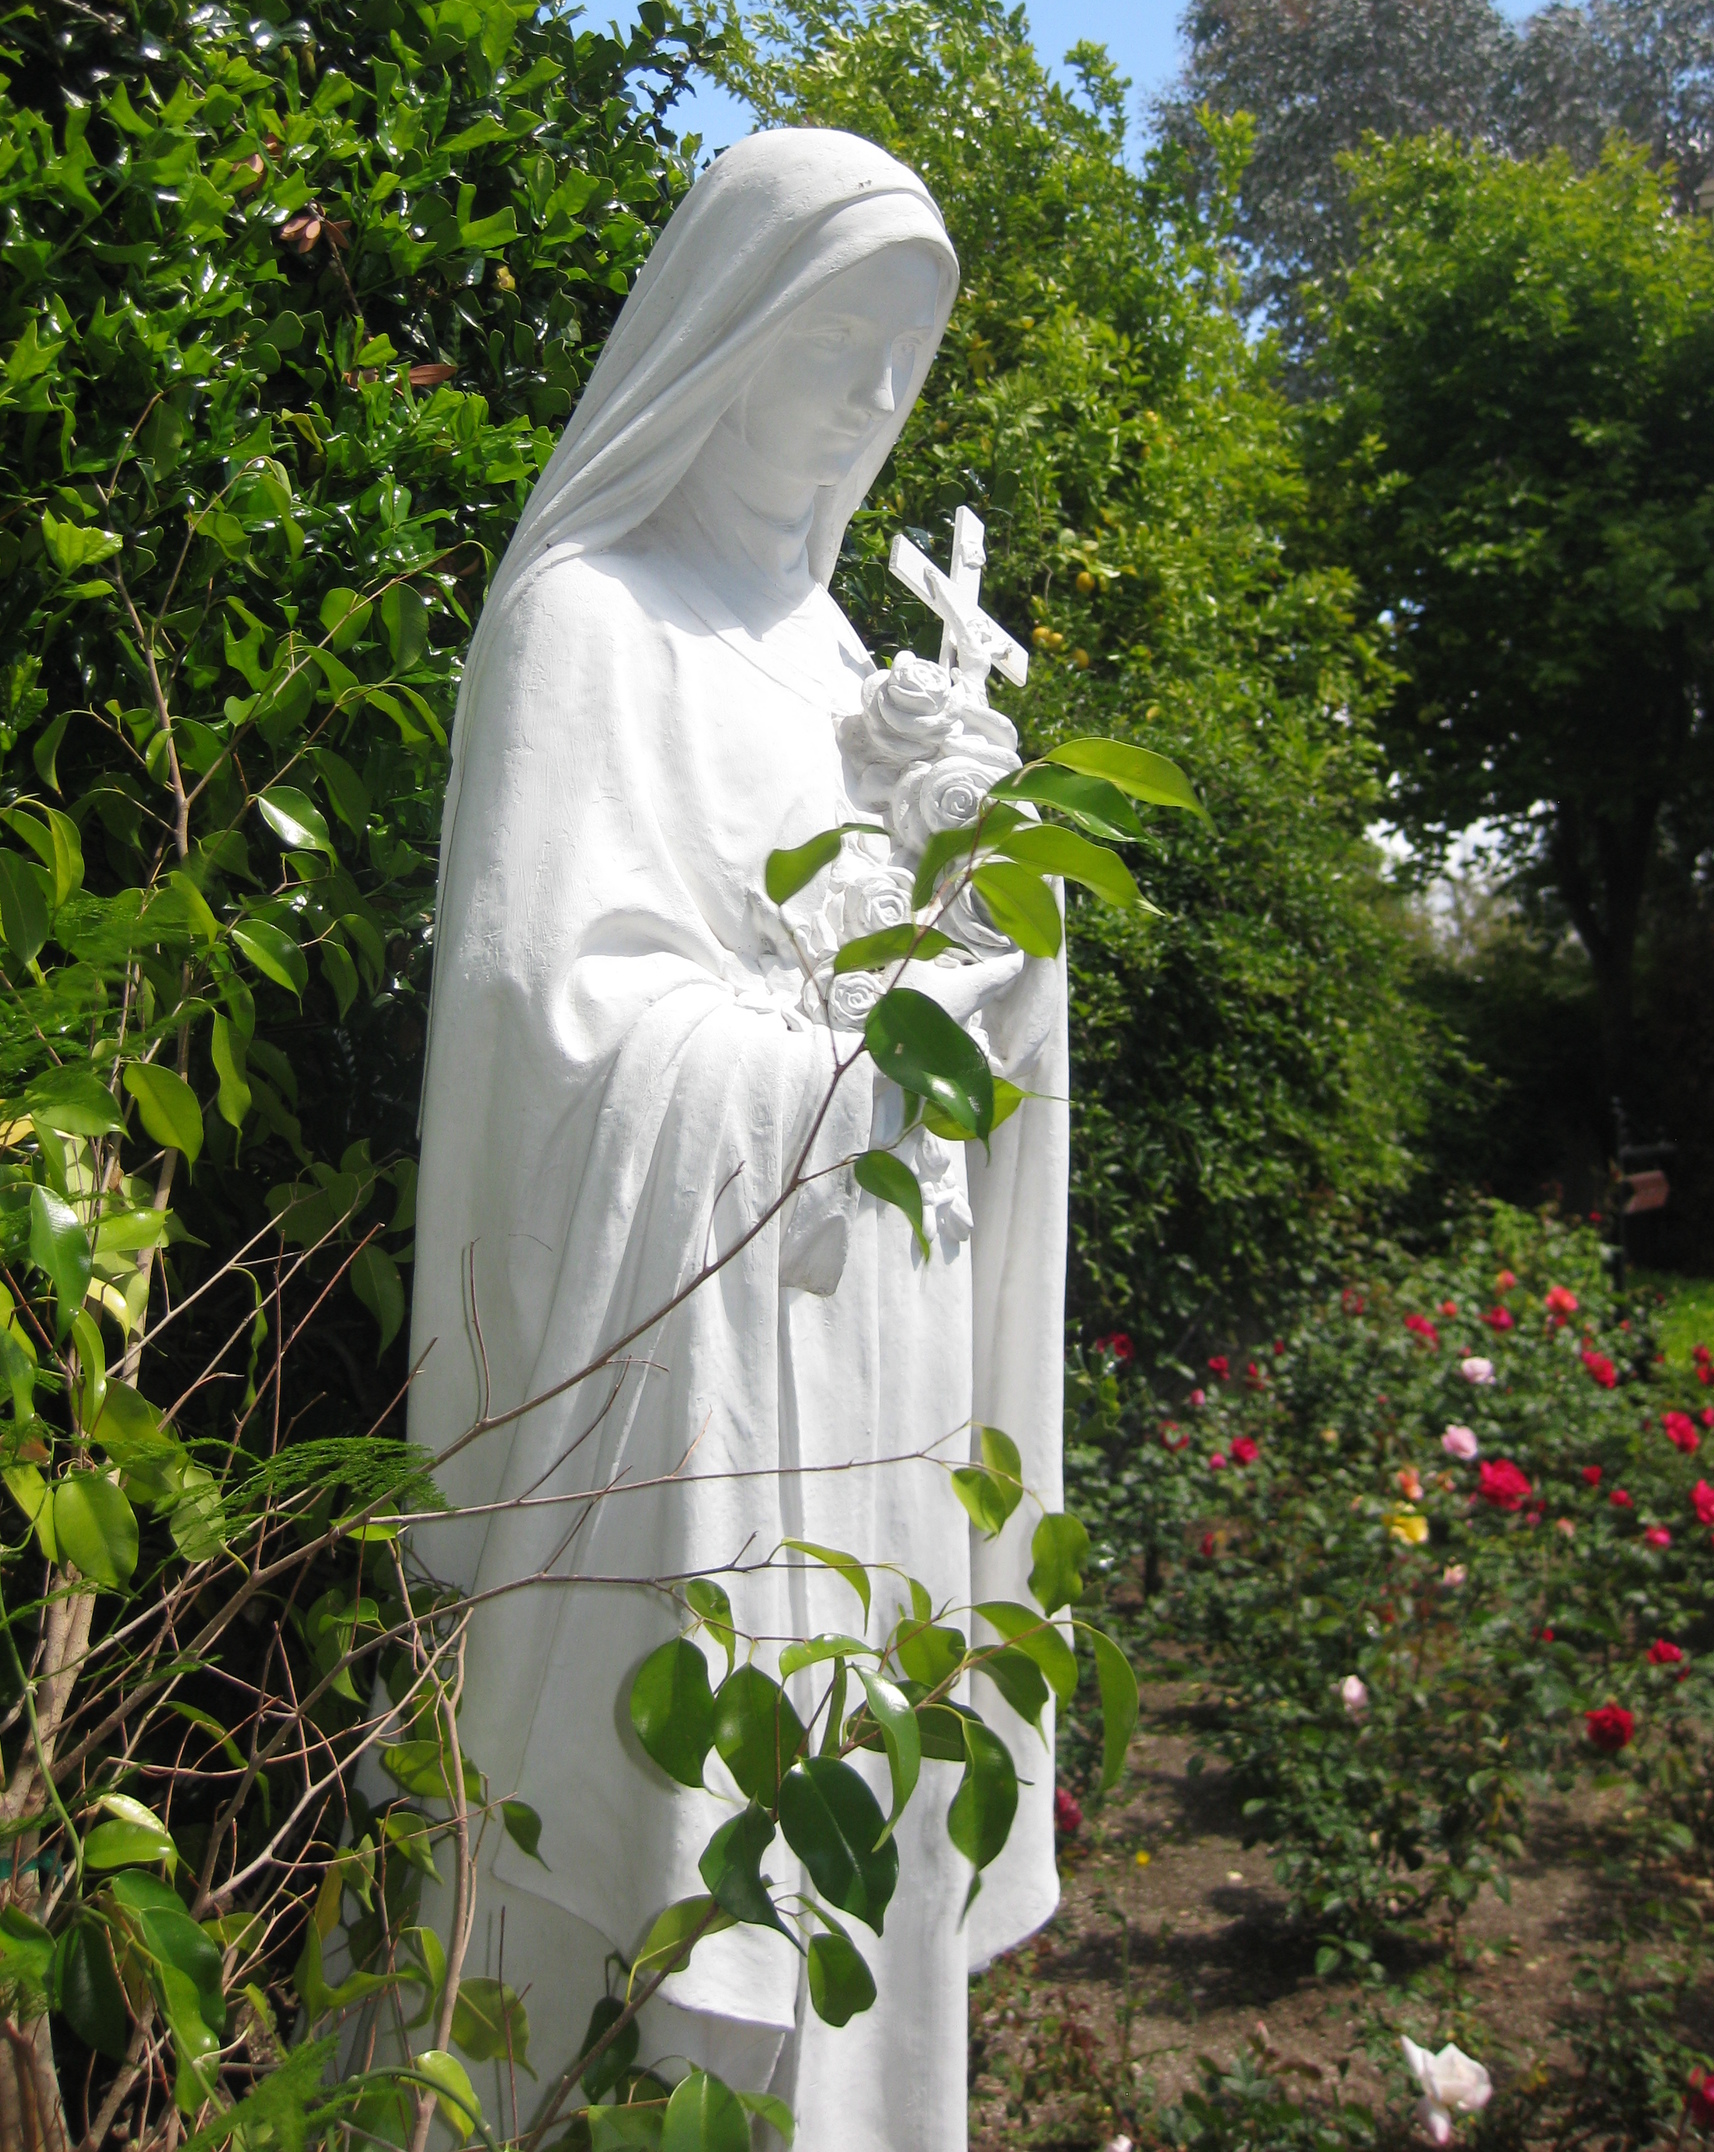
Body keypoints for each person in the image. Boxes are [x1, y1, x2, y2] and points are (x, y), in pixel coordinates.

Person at [409, 128, 1069, 2145]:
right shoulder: (588, 619)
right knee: (646, 1972)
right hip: (688, 1408)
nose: (871, 400)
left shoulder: (852, 659)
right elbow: (558, 1018)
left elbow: (963, 1016)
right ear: (728, 329)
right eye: (833, 340)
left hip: (856, 1360)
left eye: (906, 359)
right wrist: (828, 1057)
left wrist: (982, 879)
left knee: (841, 1844)